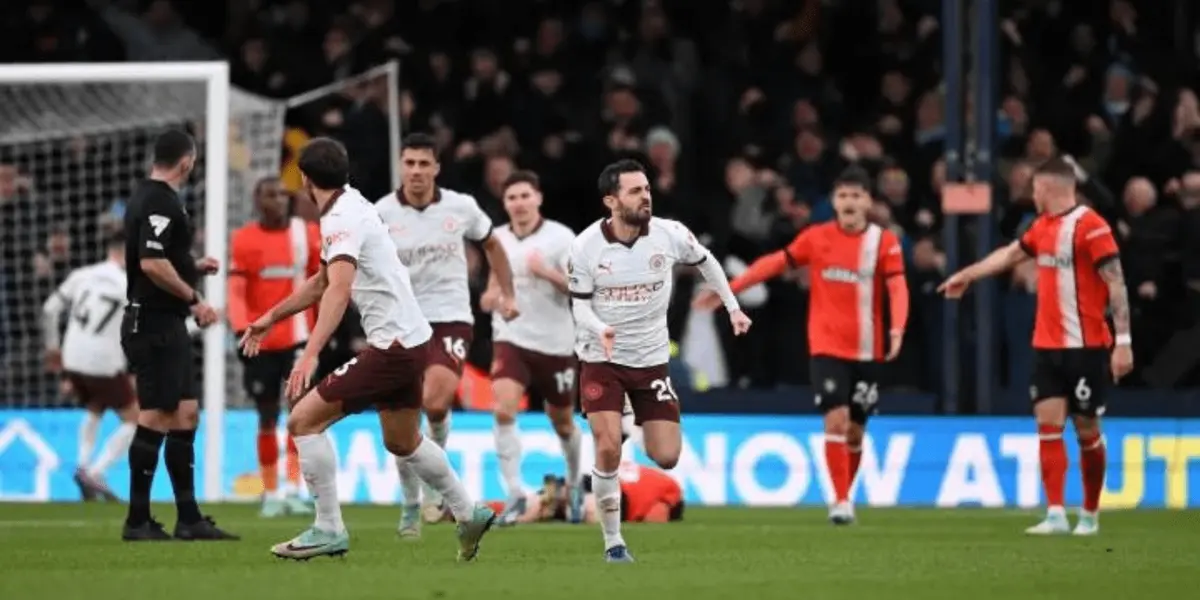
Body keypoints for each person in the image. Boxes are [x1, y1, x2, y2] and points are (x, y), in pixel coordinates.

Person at [239, 137, 496, 561]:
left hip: (392, 346)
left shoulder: (340, 218)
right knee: (403, 441)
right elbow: (322, 281)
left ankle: (327, 528)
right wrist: (271, 317)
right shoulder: (354, 204)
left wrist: (310, 352)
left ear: (304, 178)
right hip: (412, 341)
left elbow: (338, 290)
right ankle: (467, 513)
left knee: (303, 421)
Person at [694, 165, 909, 525]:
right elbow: (775, 263)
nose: (850, 203)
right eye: (843, 196)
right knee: (835, 421)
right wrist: (731, 289)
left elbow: (897, 288)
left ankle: (846, 494)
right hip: (826, 347)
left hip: (868, 350)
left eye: (856, 196)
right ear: (835, 202)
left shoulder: (884, 242)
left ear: (868, 201)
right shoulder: (816, 237)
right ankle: (839, 502)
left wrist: (897, 328)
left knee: (856, 430)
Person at [568, 159, 751, 563]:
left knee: (667, 456)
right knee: (607, 445)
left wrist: (732, 307)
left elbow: (706, 262)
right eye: (635, 191)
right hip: (603, 358)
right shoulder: (585, 247)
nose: (646, 195)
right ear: (611, 201)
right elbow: (578, 308)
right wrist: (600, 328)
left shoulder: (670, 234)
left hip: (651, 361)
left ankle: (632, 421)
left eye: (647, 188)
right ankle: (613, 542)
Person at [938, 156, 1132, 536]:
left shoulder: (1092, 227)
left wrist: (1123, 342)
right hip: (1047, 346)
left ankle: (1090, 514)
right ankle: (1056, 513)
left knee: (1087, 428)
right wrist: (968, 275)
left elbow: (1117, 284)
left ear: (1049, 187)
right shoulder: (1041, 227)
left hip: (1087, 345)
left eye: (1034, 188)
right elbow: (1010, 255)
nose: (1031, 195)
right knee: (1048, 424)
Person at [374, 132, 518, 535]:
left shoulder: (462, 206)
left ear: (437, 167)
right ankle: (409, 501)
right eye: (410, 163)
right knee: (402, 420)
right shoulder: (381, 212)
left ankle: (435, 487)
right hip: (401, 321)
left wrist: (505, 290)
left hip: (450, 318)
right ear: (401, 166)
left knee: (435, 403)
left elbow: (493, 245)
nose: (417, 171)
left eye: (424, 164)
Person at [119, 129, 236, 542]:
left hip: (165, 324)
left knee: (186, 415)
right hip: (153, 323)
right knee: (156, 415)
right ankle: (137, 521)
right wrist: (195, 299)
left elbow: (158, 256)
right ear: (187, 161)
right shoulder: (159, 199)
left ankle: (189, 519)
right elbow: (150, 264)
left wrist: (191, 265)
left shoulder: (152, 197)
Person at [477, 171, 583, 525]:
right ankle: (514, 493)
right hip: (512, 338)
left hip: (556, 342)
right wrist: (495, 300)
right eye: (512, 198)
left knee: (563, 422)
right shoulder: (498, 239)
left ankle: (575, 484)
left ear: (538, 198)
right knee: (504, 410)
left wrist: (546, 273)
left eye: (525, 196)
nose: (519, 203)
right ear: (504, 203)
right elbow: (490, 293)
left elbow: (581, 288)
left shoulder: (561, 237)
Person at [227, 176, 320, 517]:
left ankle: (295, 488)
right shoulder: (244, 239)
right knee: (267, 417)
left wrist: (324, 331)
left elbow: (321, 284)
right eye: (271, 194)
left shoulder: (305, 234)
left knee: (299, 414)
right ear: (257, 199)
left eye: (282, 194)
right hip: (261, 343)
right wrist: (241, 329)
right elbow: (236, 290)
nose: (279, 200)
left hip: (298, 339)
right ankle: (271, 492)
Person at [42, 231, 136, 502]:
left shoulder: (81, 274)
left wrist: (52, 348)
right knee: (136, 421)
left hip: (72, 357)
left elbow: (49, 309)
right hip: (102, 361)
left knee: (95, 407)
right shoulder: (127, 284)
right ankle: (96, 472)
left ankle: (83, 465)